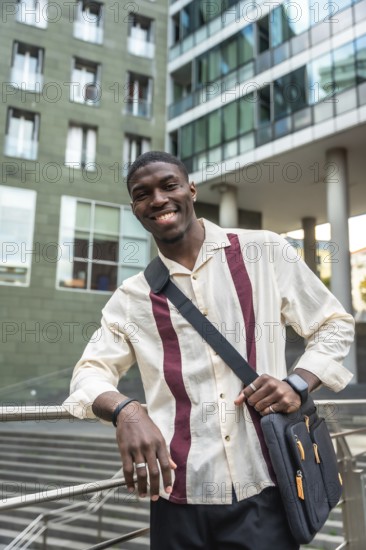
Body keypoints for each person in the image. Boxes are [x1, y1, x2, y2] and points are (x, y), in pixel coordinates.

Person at [63, 151, 354, 550]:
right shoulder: (131, 297)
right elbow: (88, 373)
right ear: (135, 209)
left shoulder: (264, 251)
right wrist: (126, 412)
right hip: (177, 498)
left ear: (191, 189)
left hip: (265, 488)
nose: (159, 199)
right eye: (143, 194)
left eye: (169, 185)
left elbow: (333, 324)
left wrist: (298, 383)